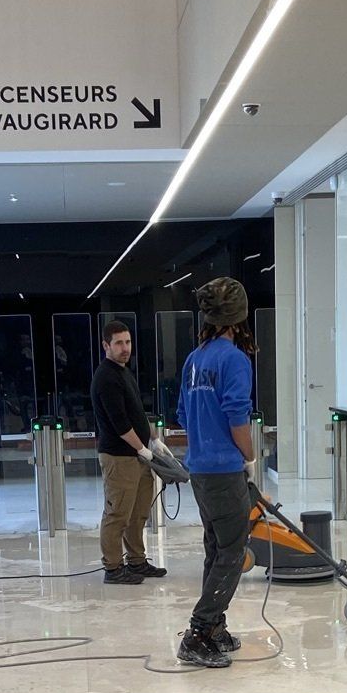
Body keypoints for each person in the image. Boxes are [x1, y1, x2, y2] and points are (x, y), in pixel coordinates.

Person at [175, 276, 255, 669]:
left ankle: (215, 627)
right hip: (224, 470)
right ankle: (198, 632)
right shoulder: (234, 360)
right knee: (232, 553)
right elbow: (237, 416)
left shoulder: (195, 359)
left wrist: (206, 438)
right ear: (238, 317)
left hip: (200, 470)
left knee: (216, 548)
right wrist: (250, 456)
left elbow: (182, 415)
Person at [90, 319, 164, 586]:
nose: (125, 348)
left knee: (138, 512)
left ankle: (136, 560)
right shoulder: (106, 378)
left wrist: (153, 440)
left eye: (128, 342)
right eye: (119, 343)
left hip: (137, 456)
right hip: (119, 457)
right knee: (118, 513)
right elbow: (120, 423)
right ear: (106, 345)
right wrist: (141, 448)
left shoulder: (124, 372)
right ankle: (113, 568)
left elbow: (136, 413)